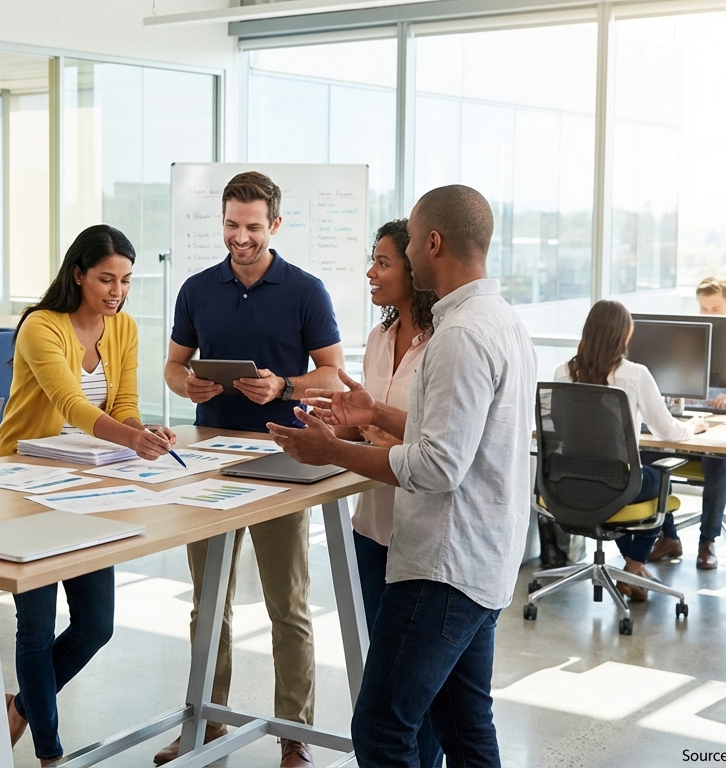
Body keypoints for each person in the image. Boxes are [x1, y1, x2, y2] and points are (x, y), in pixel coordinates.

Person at [268, 185, 536, 767]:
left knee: (383, 730)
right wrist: (376, 415)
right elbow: (459, 433)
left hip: (443, 565)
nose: (407, 254)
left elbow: (438, 466)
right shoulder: (501, 320)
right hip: (482, 559)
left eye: (409, 242)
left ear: (433, 243)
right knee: (464, 728)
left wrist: (330, 452)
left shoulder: (459, 336)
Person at [160, 171, 343, 768]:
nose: (241, 238)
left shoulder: (306, 290)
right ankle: (206, 724)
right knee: (207, 602)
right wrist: (185, 384)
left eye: (253, 228)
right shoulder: (196, 288)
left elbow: (333, 375)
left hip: (280, 457)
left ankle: (295, 737)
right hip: (210, 458)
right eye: (233, 226)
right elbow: (173, 367)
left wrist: (284, 383)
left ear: (276, 226)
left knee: (286, 604)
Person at [0, 224, 176, 766]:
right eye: (105, 279)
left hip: (90, 485)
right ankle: (51, 754)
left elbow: (124, 404)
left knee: (96, 625)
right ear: (78, 274)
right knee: (36, 627)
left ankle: (22, 705)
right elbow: (70, 403)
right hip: (26, 484)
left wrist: (143, 430)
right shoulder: (41, 326)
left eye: (124, 280)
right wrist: (133, 439)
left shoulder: (122, 330)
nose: (116, 291)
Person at [343, 218, 443, 768]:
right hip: (372, 524)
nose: (371, 272)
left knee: (414, 691)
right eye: (372, 260)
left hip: (423, 530)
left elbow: (438, 435)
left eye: (383, 263)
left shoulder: (443, 343)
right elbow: (367, 427)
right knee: (385, 670)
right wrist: (330, 427)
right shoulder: (380, 339)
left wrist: (373, 419)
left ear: (415, 269)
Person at [554, 300, 707, 601]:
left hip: (567, 483)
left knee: (634, 484)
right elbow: (667, 431)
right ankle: (633, 569)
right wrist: (694, 425)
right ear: (623, 336)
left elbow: (557, 429)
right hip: (616, 485)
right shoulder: (635, 374)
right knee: (656, 481)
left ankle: (633, 572)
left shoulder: (562, 372)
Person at [647, 276, 726, 569]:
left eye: (715, 310)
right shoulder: (684, 341)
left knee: (716, 463)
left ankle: (707, 541)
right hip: (689, 425)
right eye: (703, 310)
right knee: (647, 456)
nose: (708, 316)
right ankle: (668, 536)